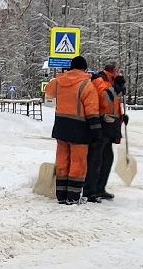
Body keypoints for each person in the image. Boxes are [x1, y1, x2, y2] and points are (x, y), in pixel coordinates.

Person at [43, 56, 101, 203]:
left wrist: (62, 76)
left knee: (62, 160)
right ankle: (73, 196)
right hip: (79, 128)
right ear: (85, 68)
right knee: (78, 162)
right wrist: (96, 132)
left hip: (61, 127)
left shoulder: (59, 81)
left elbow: (48, 92)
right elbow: (92, 110)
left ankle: (61, 195)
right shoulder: (87, 85)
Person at [85, 62, 121, 201]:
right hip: (101, 125)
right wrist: (117, 86)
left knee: (107, 159)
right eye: (118, 71)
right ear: (113, 71)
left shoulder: (109, 81)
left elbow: (113, 105)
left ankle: (99, 188)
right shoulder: (100, 80)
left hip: (109, 126)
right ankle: (91, 190)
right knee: (96, 159)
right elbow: (106, 99)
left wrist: (121, 117)